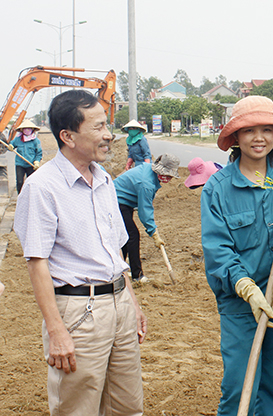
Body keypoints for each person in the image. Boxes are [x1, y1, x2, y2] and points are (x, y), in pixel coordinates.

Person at [13, 89, 147, 415]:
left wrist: (131, 302)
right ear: (68, 136)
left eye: (107, 126)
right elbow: (37, 263)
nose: (108, 135)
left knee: (127, 407)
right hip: (79, 312)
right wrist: (57, 331)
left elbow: (115, 252)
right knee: (78, 408)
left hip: (118, 308)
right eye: (98, 127)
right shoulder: (42, 187)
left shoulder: (104, 180)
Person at [200, 95, 273, 416]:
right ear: (236, 138)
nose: (259, 138)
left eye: (267, 129)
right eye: (249, 131)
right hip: (239, 302)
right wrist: (248, 289)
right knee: (238, 387)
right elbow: (218, 251)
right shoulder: (218, 188)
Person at [113, 153, 180, 283]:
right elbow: (144, 210)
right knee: (132, 235)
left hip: (125, 202)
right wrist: (153, 232)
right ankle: (137, 275)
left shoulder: (150, 172)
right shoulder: (146, 183)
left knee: (125, 236)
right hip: (116, 202)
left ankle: (120, 269)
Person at [8, 119, 43, 193]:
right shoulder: (18, 139)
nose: (27, 130)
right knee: (20, 182)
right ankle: (20, 196)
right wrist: (11, 146)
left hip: (31, 164)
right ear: (22, 130)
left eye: (29, 129)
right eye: (25, 129)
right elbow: (12, 144)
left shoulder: (36, 141)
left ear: (32, 129)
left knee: (31, 182)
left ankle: (30, 196)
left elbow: (39, 153)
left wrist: (37, 161)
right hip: (20, 164)